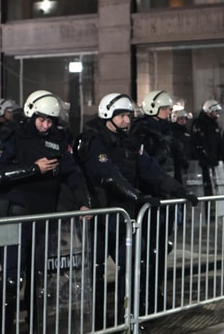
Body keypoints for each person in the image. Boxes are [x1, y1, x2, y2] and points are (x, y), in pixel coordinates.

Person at [76, 92, 198, 327]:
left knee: (133, 263)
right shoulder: (94, 141)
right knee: (97, 268)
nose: (126, 121)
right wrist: (138, 196)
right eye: (121, 116)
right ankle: (98, 322)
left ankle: (128, 318)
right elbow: (108, 176)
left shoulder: (131, 142)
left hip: (124, 215)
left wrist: (180, 191)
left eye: (128, 116)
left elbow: (152, 170)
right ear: (107, 115)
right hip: (100, 215)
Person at [0, 90, 91, 334]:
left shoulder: (57, 139)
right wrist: (33, 169)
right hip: (11, 214)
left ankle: (35, 325)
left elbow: (73, 174)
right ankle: (1, 327)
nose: (46, 125)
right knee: (11, 277)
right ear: (31, 114)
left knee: (38, 276)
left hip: (43, 216)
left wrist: (83, 202)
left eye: (50, 121)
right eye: (42, 120)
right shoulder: (11, 135)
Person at [191, 99, 224, 196]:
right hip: (203, 162)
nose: (217, 113)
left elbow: (218, 142)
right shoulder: (200, 124)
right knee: (205, 186)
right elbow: (199, 143)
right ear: (209, 111)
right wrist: (206, 157)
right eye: (215, 111)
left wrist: (221, 156)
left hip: (213, 160)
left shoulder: (214, 124)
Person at [170, 108, 194, 184]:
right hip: (177, 162)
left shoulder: (186, 131)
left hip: (188, 159)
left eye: (184, 119)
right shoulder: (173, 132)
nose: (183, 120)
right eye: (180, 119)